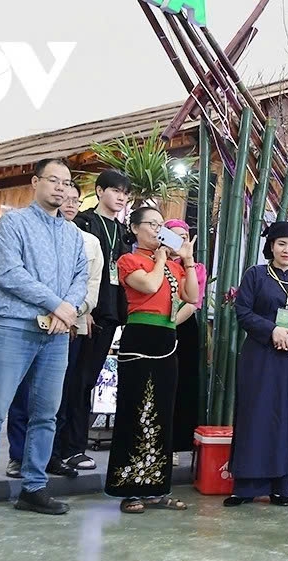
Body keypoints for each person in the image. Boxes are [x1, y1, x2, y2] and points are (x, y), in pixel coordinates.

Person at [0, 158, 87, 523]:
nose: (61, 188)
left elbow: (81, 277)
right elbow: (9, 273)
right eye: (53, 180)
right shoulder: (14, 222)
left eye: (66, 183)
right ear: (35, 182)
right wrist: (57, 304)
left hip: (56, 334)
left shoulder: (72, 234)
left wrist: (67, 309)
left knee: (46, 414)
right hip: (14, 327)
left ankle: (34, 487)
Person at [4, 182, 103, 480]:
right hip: (31, 319)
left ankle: (51, 455)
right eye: (65, 198)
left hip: (69, 325)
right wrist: (55, 308)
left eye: (75, 200)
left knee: (57, 395)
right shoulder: (30, 229)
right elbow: (23, 276)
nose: (69, 204)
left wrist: (71, 314)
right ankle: (18, 456)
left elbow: (89, 285)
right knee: (23, 393)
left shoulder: (87, 241)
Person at [105, 206, 197, 514]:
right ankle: (130, 490)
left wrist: (187, 261)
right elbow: (149, 286)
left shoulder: (173, 265)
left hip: (167, 339)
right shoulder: (129, 261)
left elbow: (191, 296)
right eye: (152, 224)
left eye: (161, 226)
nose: (158, 231)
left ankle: (157, 489)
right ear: (134, 228)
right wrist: (160, 260)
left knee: (163, 412)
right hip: (140, 336)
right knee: (134, 410)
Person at [226, 221, 288, 506]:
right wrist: (272, 330)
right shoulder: (256, 275)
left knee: (286, 417)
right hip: (259, 355)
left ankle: (281, 486)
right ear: (271, 246)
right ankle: (245, 488)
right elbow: (243, 311)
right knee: (255, 414)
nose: (287, 250)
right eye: (281, 244)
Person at [66, 170, 131, 470]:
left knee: (88, 381)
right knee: (74, 381)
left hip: (111, 313)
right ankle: (67, 446)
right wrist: (84, 311)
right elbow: (78, 272)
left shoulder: (124, 231)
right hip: (85, 313)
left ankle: (75, 446)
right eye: (115, 190)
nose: (121, 197)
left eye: (125, 193)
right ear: (100, 191)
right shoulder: (83, 222)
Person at [166, 219, 205, 458]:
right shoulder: (155, 262)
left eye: (184, 236)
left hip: (182, 326)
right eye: (174, 235)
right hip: (155, 325)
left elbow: (193, 302)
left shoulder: (196, 268)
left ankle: (177, 444)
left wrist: (169, 325)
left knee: (183, 383)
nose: (180, 240)